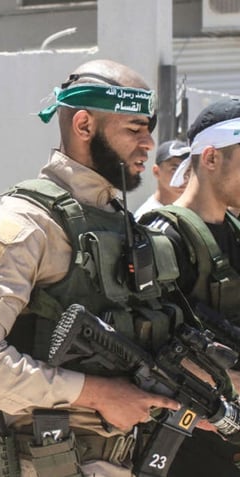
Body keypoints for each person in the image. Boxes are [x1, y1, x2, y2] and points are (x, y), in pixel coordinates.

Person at [0, 59, 195, 477]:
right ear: (83, 125)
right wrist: (97, 394)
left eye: (148, 129)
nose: (149, 143)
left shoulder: (115, 218)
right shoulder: (25, 224)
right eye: (134, 129)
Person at [140, 99, 240, 476]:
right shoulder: (163, 236)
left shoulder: (233, 230)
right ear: (211, 158)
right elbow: (157, 346)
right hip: (187, 443)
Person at [132, 139, 190, 219]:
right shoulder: (146, 216)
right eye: (175, 169)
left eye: (187, 169)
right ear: (156, 171)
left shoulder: (193, 212)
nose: (183, 177)